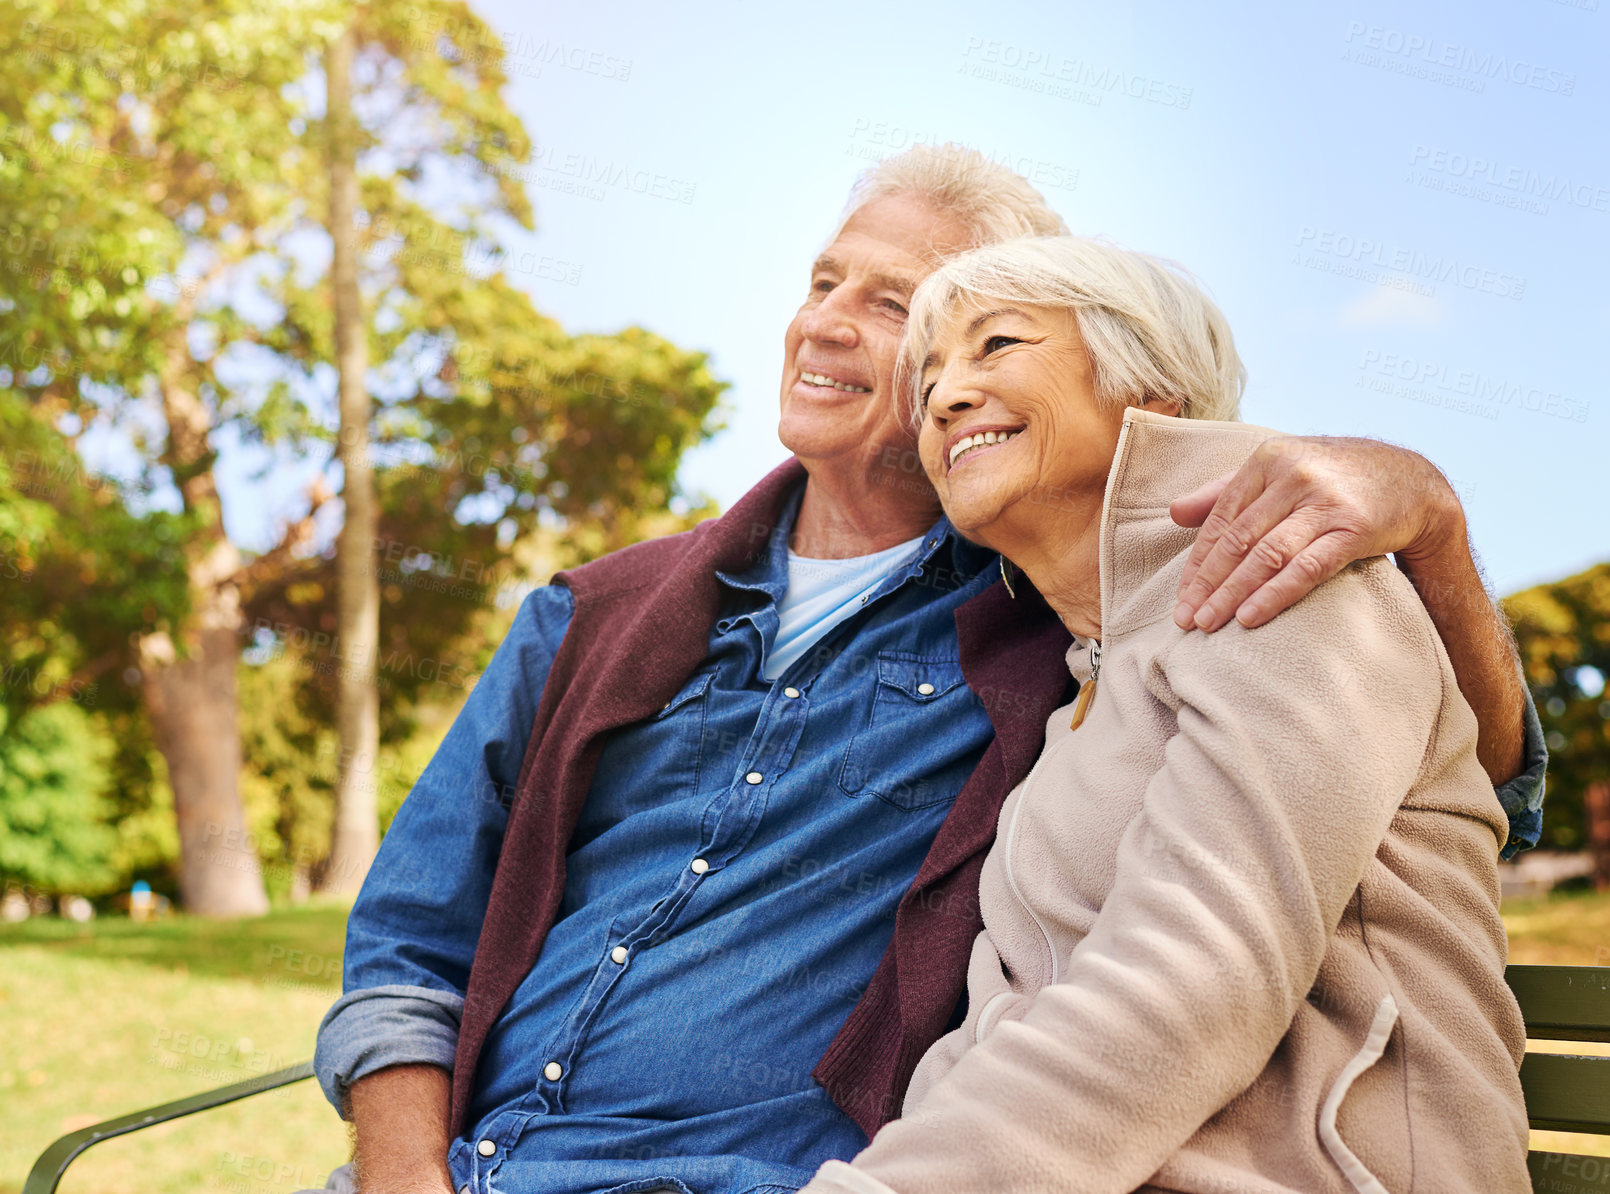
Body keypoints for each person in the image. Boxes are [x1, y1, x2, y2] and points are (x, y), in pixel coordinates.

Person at [310, 147, 1545, 1194]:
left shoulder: (1082, 624)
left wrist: (1427, 516)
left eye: (918, 312)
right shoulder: (599, 613)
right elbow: (410, 944)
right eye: (823, 282)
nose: (836, 326)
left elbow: (1464, 793)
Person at [800, 235, 1529, 1194]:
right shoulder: (1072, 693)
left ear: (1151, 390)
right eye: (931, 375)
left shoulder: (1281, 570)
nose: (944, 396)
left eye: (999, 345)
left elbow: (1199, 976)